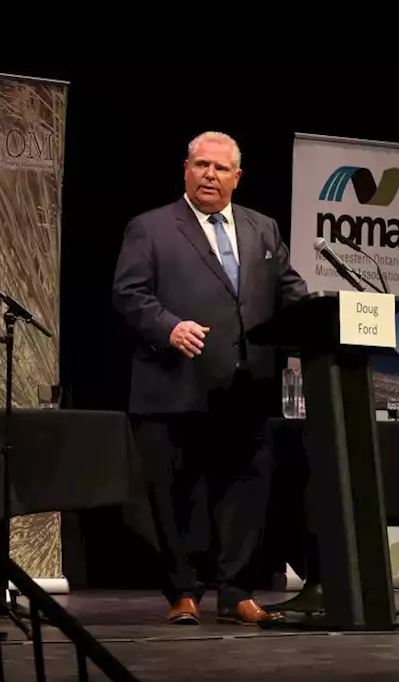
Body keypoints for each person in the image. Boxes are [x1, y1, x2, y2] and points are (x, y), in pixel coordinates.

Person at [112, 131, 309, 625]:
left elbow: (292, 292)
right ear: (185, 170)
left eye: (220, 169)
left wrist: (326, 317)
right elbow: (129, 293)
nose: (210, 175)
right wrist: (169, 326)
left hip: (247, 387)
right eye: (201, 165)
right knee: (175, 496)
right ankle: (182, 591)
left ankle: (235, 590)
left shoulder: (263, 228)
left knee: (245, 492)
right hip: (175, 384)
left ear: (236, 177)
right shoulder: (151, 228)